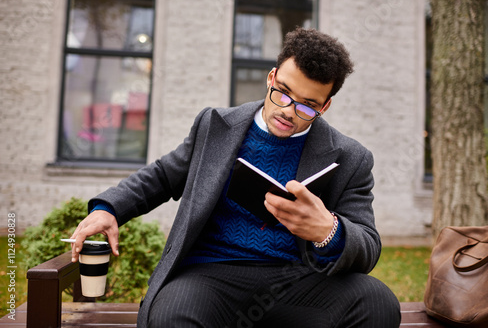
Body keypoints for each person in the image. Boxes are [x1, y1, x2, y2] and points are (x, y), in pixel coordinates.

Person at [71, 27, 401, 327]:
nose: (288, 111)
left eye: (307, 106)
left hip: (296, 281)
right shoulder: (215, 126)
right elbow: (160, 177)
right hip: (209, 275)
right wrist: (108, 208)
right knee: (171, 316)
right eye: (283, 93)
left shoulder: (350, 157)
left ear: (325, 107)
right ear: (271, 77)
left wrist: (329, 231)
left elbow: (368, 246)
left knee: (378, 303)